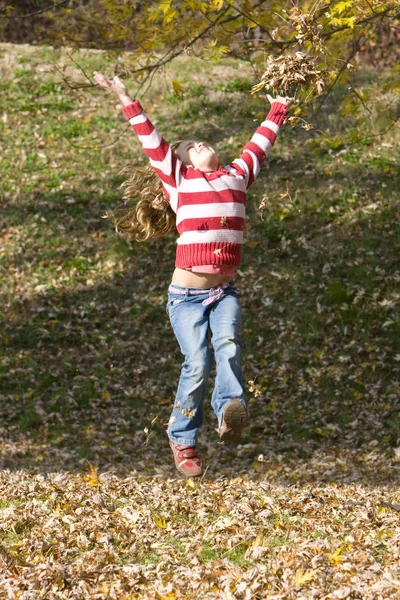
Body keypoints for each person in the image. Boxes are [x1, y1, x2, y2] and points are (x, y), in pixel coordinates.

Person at [93, 71, 290, 477]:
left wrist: (279, 106)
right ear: (180, 164)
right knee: (198, 361)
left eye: (201, 142)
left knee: (229, 344)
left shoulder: (239, 175)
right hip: (185, 297)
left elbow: (260, 142)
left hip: (224, 292)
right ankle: (182, 439)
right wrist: (125, 97)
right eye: (189, 148)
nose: (198, 145)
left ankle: (228, 412)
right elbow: (151, 141)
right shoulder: (180, 182)